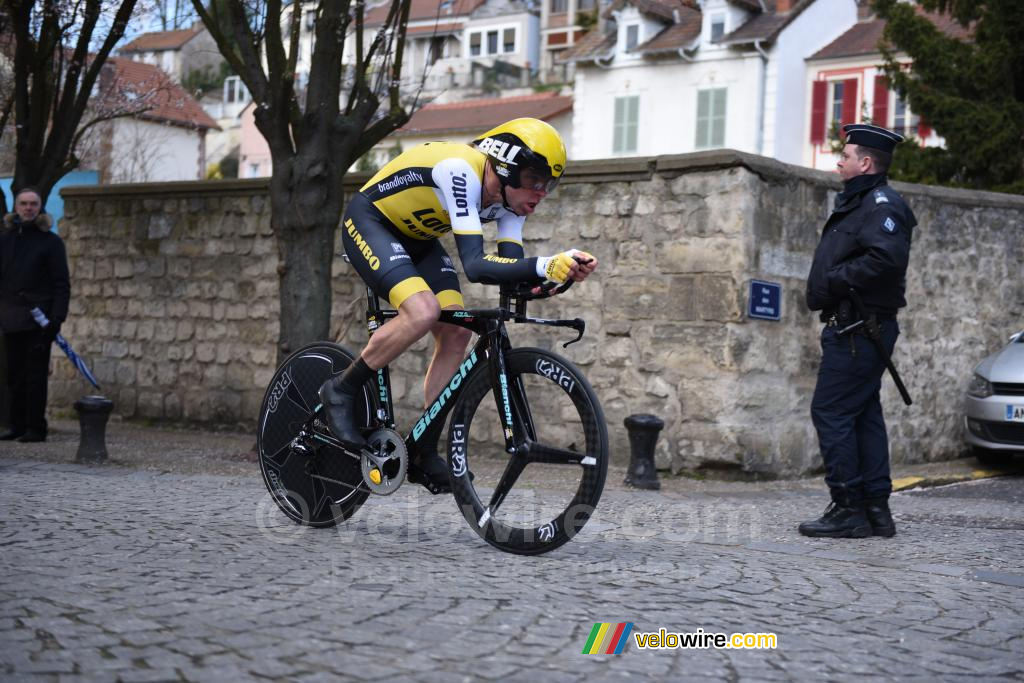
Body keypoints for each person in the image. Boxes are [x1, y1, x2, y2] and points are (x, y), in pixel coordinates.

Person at [320, 118, 598, 492]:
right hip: (371, 222)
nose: (542, 192)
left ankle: (424, 447)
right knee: (422, 311)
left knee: (455, 332)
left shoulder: (510, 203)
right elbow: (476, 266)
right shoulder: (461, 171)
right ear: (507, 167)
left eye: (549, 184)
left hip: (419, 242)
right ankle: (341, 388)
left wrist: (552, 277)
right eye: (536, 180)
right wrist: (545, 263)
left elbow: (508, 273)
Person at [800, 123, 916, 539]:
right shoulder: (862, 202)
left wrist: (834, 279)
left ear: (865, 163)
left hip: (857, 327)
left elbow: (886, 259)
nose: (838, 162)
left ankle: (848, 506)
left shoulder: (881, 205)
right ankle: (875, 510)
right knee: (863, 415)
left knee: (830, 412)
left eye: (845, 157)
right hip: (854, 326)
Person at [0, 188, 71, 442]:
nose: (28, 208)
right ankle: (17, 424)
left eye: (33, 204)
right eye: (23, 204)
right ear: (16, 207)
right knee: (14, 375)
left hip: (39, 319)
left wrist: (56, 319)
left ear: (40, 207)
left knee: (36, 376)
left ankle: (35, 427)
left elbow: (61, 284)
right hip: (10, 318)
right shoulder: (5, 239)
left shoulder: (51, 243)